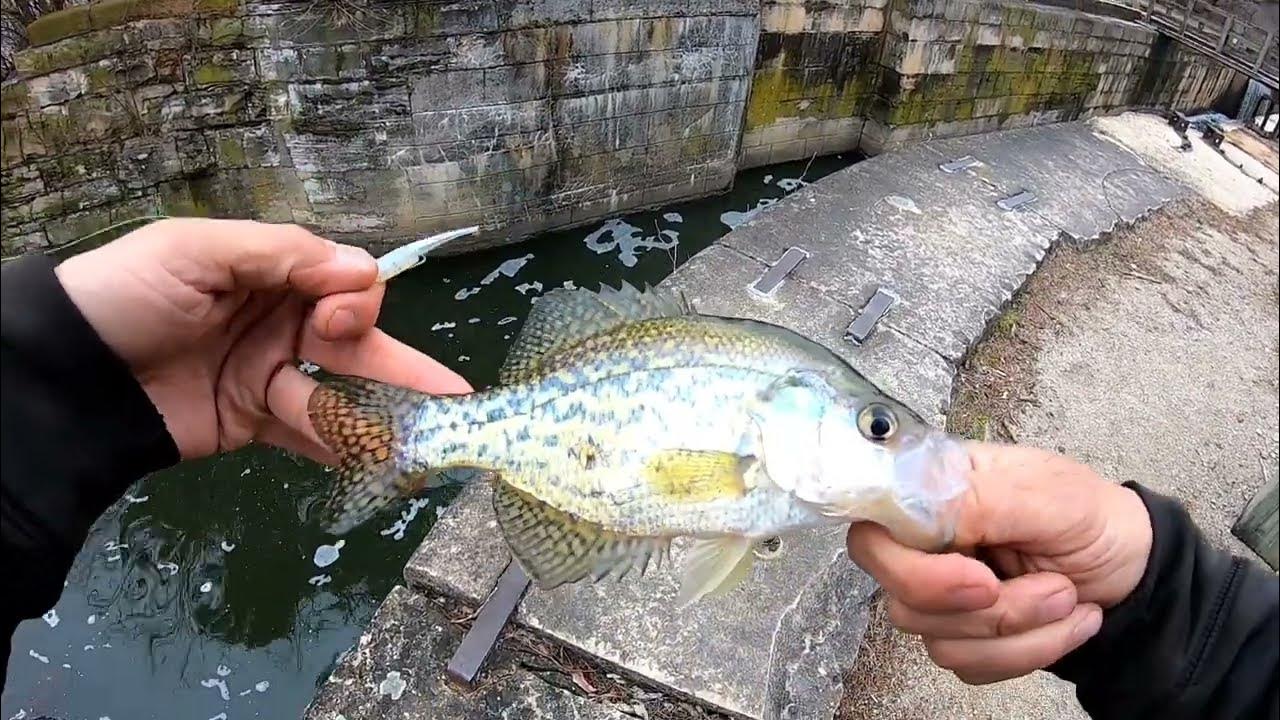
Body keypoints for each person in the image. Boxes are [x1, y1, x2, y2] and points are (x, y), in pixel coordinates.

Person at [1, 219, 1276, 718]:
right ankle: (403, 450)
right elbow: (696, 504)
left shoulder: (781, 465)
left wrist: (1155, 603)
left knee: (451, 430)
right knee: (439, 430)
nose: (898, 450)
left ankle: (405, 449)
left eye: (880, 430)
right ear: (794, 425)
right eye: (875, 429)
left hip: (564, 443)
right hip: (563, 441)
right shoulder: (764, 449)